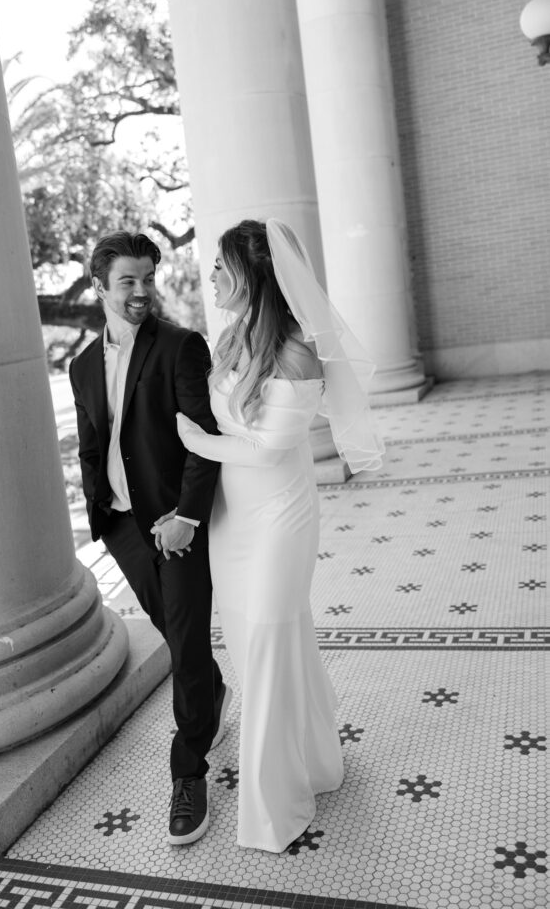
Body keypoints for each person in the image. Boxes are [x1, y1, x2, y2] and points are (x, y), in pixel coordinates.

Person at [176, 218, 384, 853]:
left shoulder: (295, 350)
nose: (210, 276)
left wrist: (197, 440)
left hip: (278, 521)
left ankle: (273, 809)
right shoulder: (233, 337)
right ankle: (315, 761)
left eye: (220, 265)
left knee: (267, 648)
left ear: (252, 274)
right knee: (258, 643)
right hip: (230, 521)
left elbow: (268, 449)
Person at [69, 230, 232, 847]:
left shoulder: (181, 346)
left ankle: (188, 774)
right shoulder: (82, 364)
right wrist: (100, 516)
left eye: (147, 278)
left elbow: (202, 437)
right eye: (127, 281)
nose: (140, 292)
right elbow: (92, 444)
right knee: (172, 627)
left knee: (186, 646)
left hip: (174, 526)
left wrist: (187, 515)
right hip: (123, 527)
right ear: (100, 288)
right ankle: (212, 693)